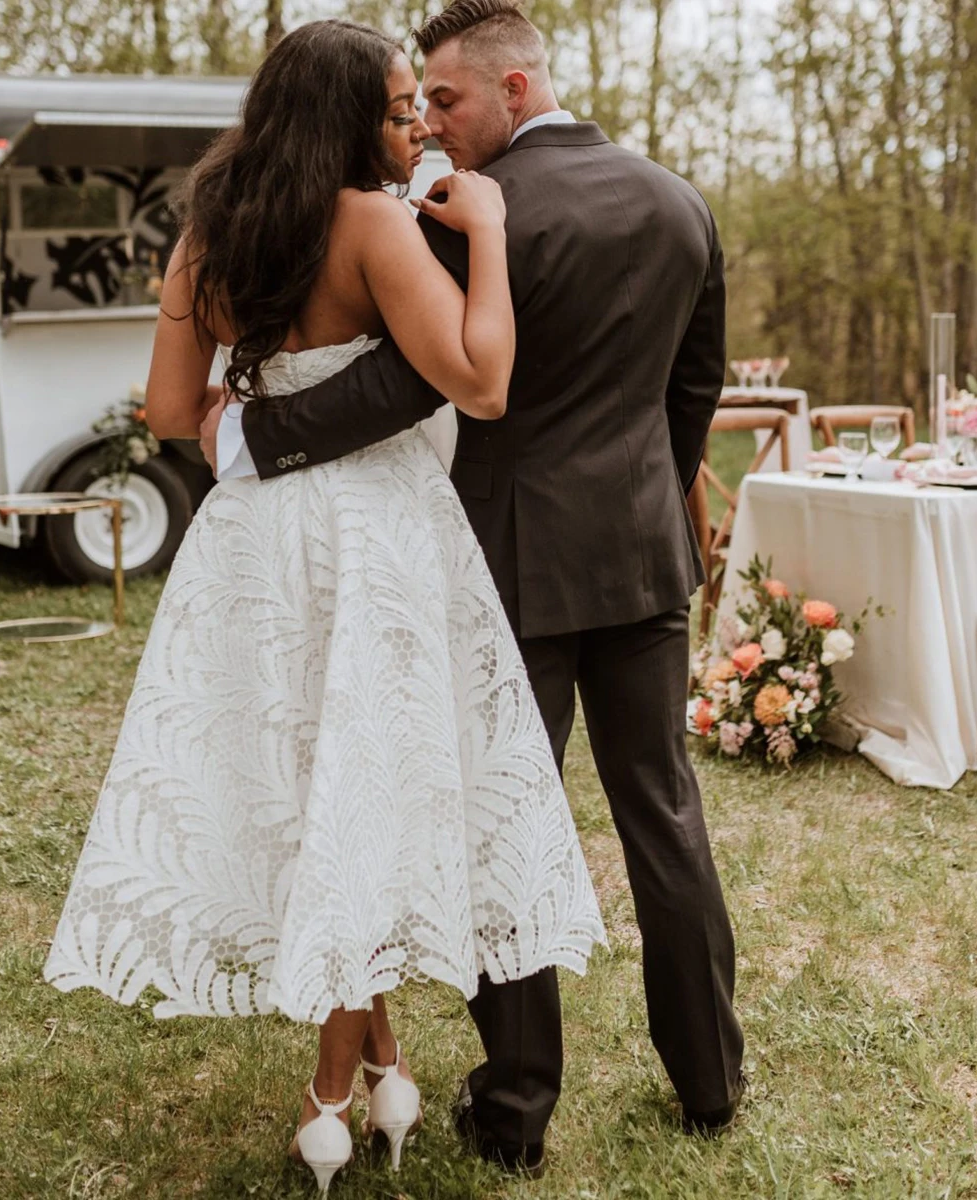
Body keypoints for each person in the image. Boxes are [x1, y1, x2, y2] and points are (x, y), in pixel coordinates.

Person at [43, 18, 605, 1195]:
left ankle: (384, 1073)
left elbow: (164, 409)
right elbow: (484, 382)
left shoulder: (211, 227)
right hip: (377, 536)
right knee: (364, 794)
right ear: (353, 114)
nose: (412, 123)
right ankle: (327, 1104)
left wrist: (230, 411)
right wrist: (489, 233)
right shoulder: (373, 225)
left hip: (254, 544)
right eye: (401, 106)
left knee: (322, 791)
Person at [201, 0, 746, 1174]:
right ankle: (711, 1083)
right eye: (420, 106)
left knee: (502, 827)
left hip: (513, 567)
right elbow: (690, 394)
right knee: (664, 813)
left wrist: (256, 438)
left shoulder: (463, 218)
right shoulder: (678, 200)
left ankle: (515, 1113)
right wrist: (667, 504)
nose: (430, 127)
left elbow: (405, 387)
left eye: (444, 100)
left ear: (512, 88)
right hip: (646, 556)